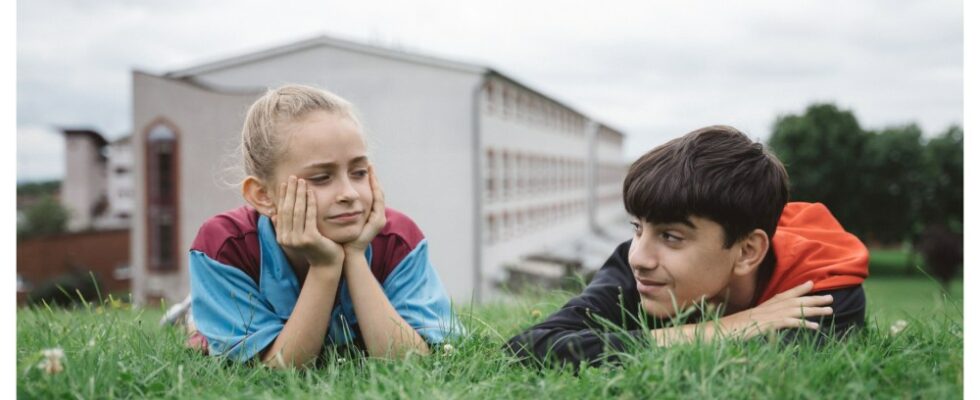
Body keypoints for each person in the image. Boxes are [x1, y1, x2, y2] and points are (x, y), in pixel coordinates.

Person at [505, 125, 869, 367]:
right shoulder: (639, 266)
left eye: (671, 237)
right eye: (638, 227)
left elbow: (757, 374)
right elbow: (530, 346)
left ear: (746, 252)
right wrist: (731, 326)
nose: (640, 258)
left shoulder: (820, 286)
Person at [185, 84, 459, 368]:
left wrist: (354, 256)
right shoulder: (225, 246)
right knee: (206, 337)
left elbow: (414, 362)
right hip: (236, 293)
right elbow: (277, 372)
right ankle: (194, 315)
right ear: (263, 196)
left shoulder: (399, 240)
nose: (349, 193)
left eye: (359, 172)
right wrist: (325, 267)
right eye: (321, 178)